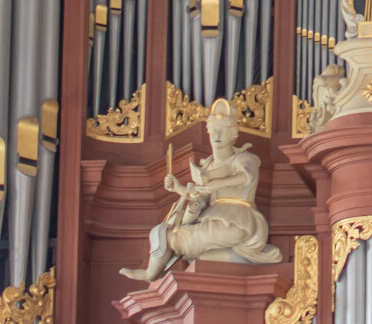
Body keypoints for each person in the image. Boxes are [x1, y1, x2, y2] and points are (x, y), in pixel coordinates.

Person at [119, 100, 278, 278]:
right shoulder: (208, 164)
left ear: (233, 134)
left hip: (236, 221)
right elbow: (199, 193)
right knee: (167, 234)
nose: (217, 135)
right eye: (214, 130)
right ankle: (152, 272)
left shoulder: (243, 159)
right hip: (212, 220)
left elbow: (247, 176)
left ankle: (154, 273)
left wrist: (216, 184)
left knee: (183, 242)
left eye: (223, 130)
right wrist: (179, 188)